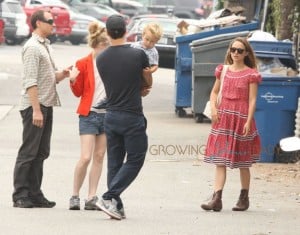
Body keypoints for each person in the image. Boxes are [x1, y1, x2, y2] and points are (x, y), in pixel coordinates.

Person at [95, 14, 152, 220]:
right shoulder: (138, 54)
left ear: (107, 32)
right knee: (136, 158)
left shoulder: (100, 58)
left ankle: (115, 205)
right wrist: (144, 85)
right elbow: (146, 81)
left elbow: (116, 82)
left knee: (115, 162)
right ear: (126, 30)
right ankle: (109, 196)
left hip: (111, 116)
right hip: (131, 115)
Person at [12, 9, 70, 208]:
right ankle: (20, 194)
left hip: (46, 104)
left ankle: (35, 193)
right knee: (28, 152)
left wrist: (62, 74)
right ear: (38, 23)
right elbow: (30, 81)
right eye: (50, 21)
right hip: (34, 107)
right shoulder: (32, 47)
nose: (53, 24)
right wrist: (36, 110)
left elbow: (48, 77)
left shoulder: (46, 46)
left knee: (41, 152)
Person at [201, 37, 261, 212]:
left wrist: (249, 120)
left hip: (241, 119)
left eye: (240, 51)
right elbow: (214, 92)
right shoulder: (223, 70)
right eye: (233, 49)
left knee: (243, 162)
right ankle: (216, 198)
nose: (235, 53)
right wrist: (213, 109)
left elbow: (252, 99)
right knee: (220, 160)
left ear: (246, 53)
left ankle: (244, 198)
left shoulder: (251, 74)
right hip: (223, 118)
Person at [68, 22, 110, 210]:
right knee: (85, 157)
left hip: (107, 116)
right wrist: (72, 79)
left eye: (108, 46)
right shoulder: (83, 63)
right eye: (104, 46)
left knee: (99, 156)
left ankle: (91, 196)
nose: (106, 49)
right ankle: (74, 195)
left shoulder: (110, 63)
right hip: (88, 115)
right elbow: (78, 93)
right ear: (95, 46)